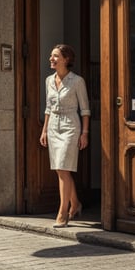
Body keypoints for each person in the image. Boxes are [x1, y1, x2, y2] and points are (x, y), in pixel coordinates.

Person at [39, 44, 90, 228]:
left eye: (55, 56)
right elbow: (48, 107)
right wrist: (44, 130)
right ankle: (75, 204)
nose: (51, 59)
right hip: (53, 126)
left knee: (62, 167)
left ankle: (63, 211)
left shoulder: (77, 81)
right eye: (51, 56)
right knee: (62, 169)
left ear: (66, 59)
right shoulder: (48, 80)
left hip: (70, 126)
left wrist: (85, 133)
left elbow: (85, 110)